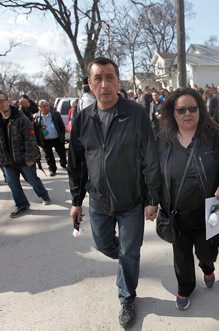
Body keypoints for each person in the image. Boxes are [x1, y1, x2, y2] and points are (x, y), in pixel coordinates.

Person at [68, 57, 161, 329]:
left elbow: (151, 159)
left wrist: (152, 199)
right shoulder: (84, 119)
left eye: (110, 77)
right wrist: (76, 201)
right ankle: (127, 258)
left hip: (131, 200)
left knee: (130, 252)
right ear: (90, 84)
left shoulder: (136, 115)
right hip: (98, 201)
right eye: (98, 78)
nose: (104, 84)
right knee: (105, 245)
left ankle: (127, 297)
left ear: (118, 81)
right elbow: (77, 163)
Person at [157, 87, 219, 310]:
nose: (187, 113)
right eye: (181, 109)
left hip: (212, 210)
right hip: (176, 213)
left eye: (193, 108)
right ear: (172, 112)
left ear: (200, 110)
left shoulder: (215, 136)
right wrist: (150, 201)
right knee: (182, 256)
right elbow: (151, 172)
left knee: (208, 252)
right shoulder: (162, 139)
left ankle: (208, 268)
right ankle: (185, 289)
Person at [0, 90, 51, 218]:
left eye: (1, 100)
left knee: (32, 180)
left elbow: (30, 139)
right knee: (13, 183)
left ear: (8, 101)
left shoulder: (21, 119)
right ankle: (22, 205)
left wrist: (30, 157)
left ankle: (44, 195)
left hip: (24, 159)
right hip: (7, 160)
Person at [33, 100, 67, 176]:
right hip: (45, 140)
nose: (46, 108)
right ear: (39, 108)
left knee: (61, 153)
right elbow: (36, 130)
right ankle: (52, 169)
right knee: (48, 156)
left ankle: (64, 165)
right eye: (44, 106)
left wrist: (62, 136)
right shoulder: (36, 117)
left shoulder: (55, 114)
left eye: (47, 106)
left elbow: (61, 126)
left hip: (57, 138)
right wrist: (38, 141)